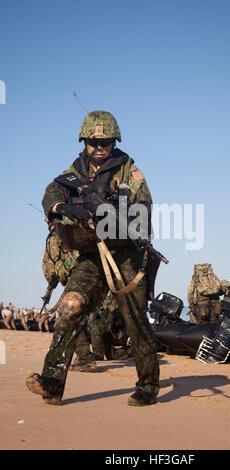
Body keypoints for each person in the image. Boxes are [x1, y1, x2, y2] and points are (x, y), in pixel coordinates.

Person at [26, 110, 160, 406]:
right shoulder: (74, 171)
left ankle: (149, 387)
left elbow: (145, 212)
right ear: (84, 141)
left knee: (135, 320)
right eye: (93, 142)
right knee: (71, 307)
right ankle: (52, 383)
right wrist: (64, 207)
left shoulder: (129, 171)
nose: (99, 148)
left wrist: (110, 214)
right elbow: (51, 192)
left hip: (126, 255)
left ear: (115, 142)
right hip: (90, 254)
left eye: (106, 142)